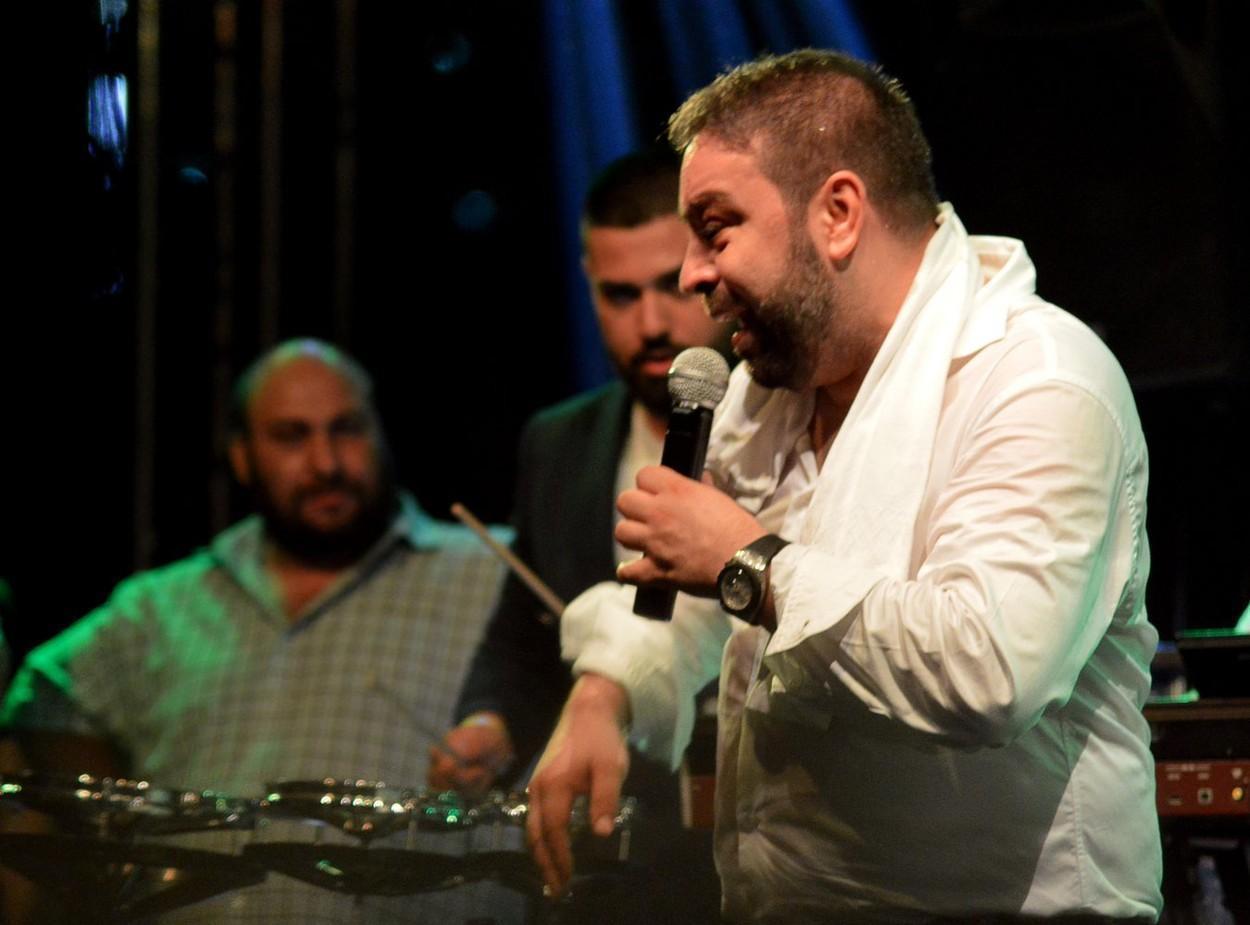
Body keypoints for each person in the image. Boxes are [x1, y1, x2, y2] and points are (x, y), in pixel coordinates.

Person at [526, 50, 1163, 924]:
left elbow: (989, 670)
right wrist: (607, 687)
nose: (692, 275)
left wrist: (748, 562)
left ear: (837, 213)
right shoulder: (770, 395)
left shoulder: (1038, 380)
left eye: (716, 228)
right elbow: (709, 604)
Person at [0, 339, 521, 924]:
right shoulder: (164, 605)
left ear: (381, 435)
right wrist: (110, 835)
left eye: (346, 429)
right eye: (291, 437)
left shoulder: (495, 572)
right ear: (242, 457)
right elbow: (37, 703)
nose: (325, 463)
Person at [428, 149, 728, 922]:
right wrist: (489, 724)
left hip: (756, 856)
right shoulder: (559, 442)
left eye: (671, 285)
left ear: (712, 266)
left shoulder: (793, 423)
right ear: (589, 285)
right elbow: (525, 635)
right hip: (605, 860)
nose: (651, 323)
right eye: (619, 295)